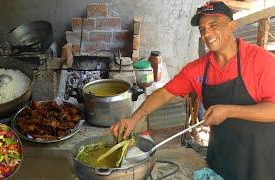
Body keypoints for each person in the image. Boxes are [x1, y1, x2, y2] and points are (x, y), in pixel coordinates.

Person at [110, 1, 275, 179]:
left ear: (231, 26)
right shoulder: (198, 69)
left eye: (213, 25)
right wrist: (134, 118)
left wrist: (229, 111)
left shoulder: (261, 61)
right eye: (202, 29)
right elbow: (165, 93)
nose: (207, 33)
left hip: (260, 160)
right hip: (221, 158)